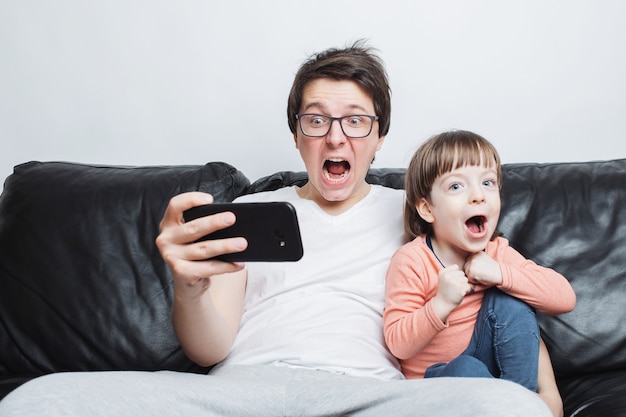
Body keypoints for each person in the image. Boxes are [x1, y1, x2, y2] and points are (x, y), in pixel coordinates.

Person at [0, 41, 560, 417]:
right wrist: (188, 285)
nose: (336, 137)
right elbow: (208, 347)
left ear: (380, 136)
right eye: (317, 120)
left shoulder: (419, 211)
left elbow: (500, 288)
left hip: (374, 399)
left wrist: (547, 390)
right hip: (239, 394)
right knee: (37, 401)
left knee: (508, 407)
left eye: (355, 121)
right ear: (297, 135)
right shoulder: (254, 206)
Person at [383, 130, 576, 392]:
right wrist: (441, 304)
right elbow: (398, 344)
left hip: (499, 372)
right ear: (427, 209)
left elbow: (565, 298)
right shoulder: (412, 260)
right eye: (456, 186)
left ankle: (522, 398)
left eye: (488, 183)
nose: (478, 196)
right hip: (438, 383)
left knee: (510, 299)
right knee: (466, 368)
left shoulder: (497, 252)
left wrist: (501, 274)